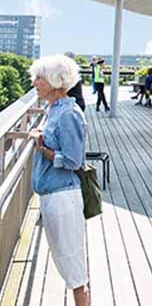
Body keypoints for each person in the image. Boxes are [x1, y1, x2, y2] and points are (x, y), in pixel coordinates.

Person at [28, 55, 90, 306]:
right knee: (66, 260)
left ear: (54, 81)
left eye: (39, 78)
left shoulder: (68, 114)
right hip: (51, 194)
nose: (34, 83)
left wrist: (45, 151)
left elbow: (75, 160)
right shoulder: (54, 109)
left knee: (72, 263)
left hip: (63, 195)